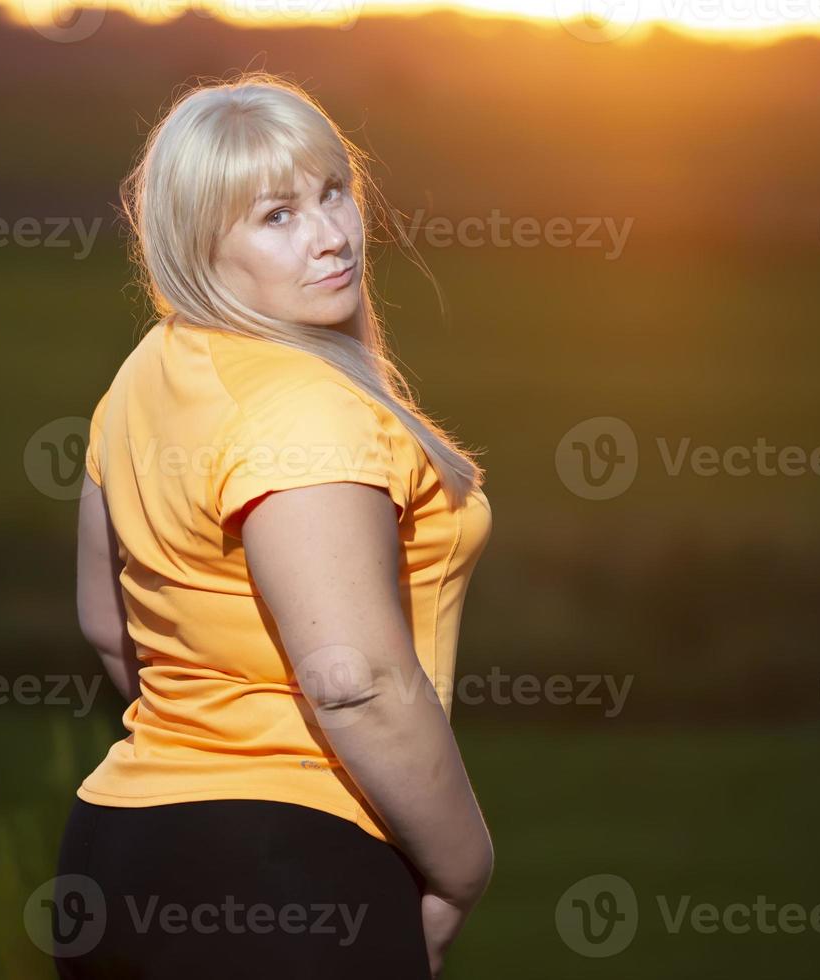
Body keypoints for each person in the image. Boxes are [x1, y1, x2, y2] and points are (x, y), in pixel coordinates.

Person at [53, 71, 495, 979]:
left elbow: (109, 623)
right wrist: (461, 872)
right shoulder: (305, 413)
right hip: (284, 881)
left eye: (333, 192)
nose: (332, 237)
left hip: (113, 859)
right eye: (277, 216)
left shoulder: (147, 374)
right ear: (197, 243)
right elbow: (355, 681)